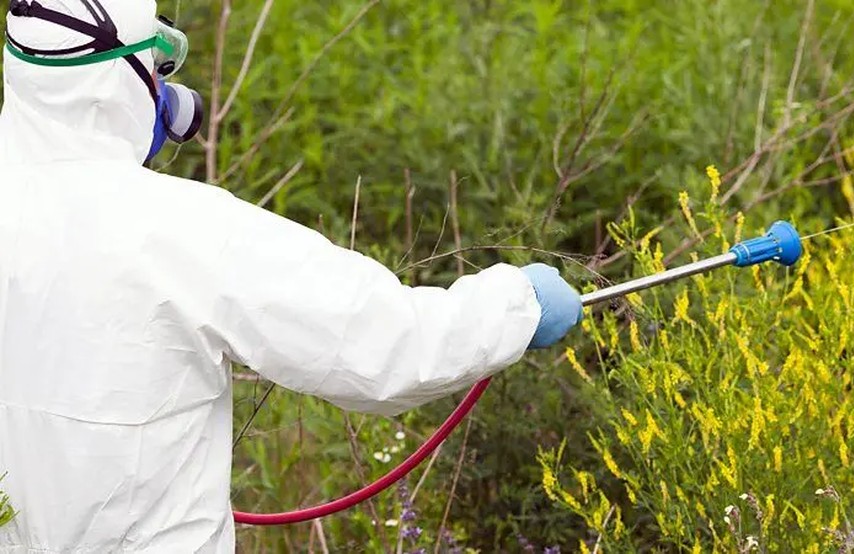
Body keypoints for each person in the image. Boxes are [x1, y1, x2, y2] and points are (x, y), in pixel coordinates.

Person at [0, 0, 583, 551]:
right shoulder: (184, 231)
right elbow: (382, 343)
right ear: (119, 80)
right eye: (157, 67)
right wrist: (517, 305)